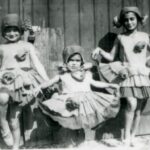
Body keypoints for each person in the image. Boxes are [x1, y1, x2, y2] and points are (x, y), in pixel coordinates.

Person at [34, 45, 120, 147]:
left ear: (81, 62)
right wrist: (39, 87)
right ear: (66, 62)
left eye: (77, 60)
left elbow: (95, 83)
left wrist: (109, 85)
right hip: (70, 102)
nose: (74, 63)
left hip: (86, 102)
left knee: (82, 124)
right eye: (71, 60)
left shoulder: (87, 75)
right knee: (71, 123)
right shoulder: (63, 76)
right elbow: (49, 82)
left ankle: (81, 144)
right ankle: (72, 144)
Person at [92, 6, 150, 146]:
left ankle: (133, 136)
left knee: (138, 109)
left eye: (132, 19)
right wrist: (99, 50)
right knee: (131, 103)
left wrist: (148, 58)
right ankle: (126, 137)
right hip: (127, 74)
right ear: (122, 22)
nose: (129, 23)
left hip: (142, 74)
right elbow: (111, 57)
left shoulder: (145, 36)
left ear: (138, 20)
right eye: (126, 20)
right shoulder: (120, 37)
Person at [0, 13, 49, 149]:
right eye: (8, 30)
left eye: (15, 30)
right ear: (3, 32)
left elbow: (37, 63)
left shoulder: (27, 46)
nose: (12, 33)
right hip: (5, 79)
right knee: (2, 99)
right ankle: (3, 126)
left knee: (14, 118)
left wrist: (46, 79)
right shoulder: (1, 48)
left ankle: (15, 146)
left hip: (22, 81)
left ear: (21, 31)